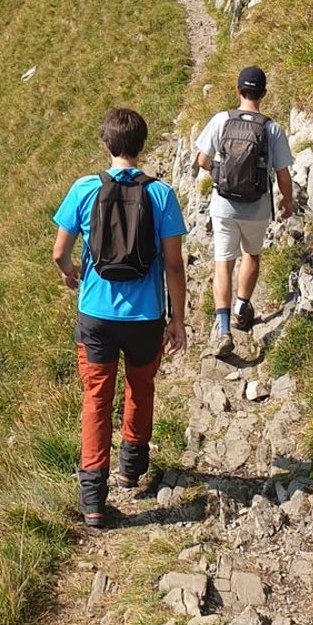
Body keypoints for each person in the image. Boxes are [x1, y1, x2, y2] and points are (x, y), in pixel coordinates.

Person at [52, 106, 187, 527]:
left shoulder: (84, 188)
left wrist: (70, 273)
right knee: (140, 386)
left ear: (106, 144)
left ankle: (93, 498)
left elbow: (59, 252)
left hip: (96, 315)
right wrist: (177, 319)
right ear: (141, 146)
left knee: (96, 399)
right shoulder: (161, 194)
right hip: (146, 317)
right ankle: (131, 467)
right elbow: (174, 265)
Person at [194, 66, 295, 360]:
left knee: (223, 264)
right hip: (257, 207)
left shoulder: (221, 120)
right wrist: (287, 201)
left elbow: (202, 160)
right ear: (263, 94)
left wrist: (220, 171)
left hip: (223, 205)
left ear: (238, 90)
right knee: (251, 255)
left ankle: (223, 330)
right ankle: (242, 308)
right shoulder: (271, 128)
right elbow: (283, 174)